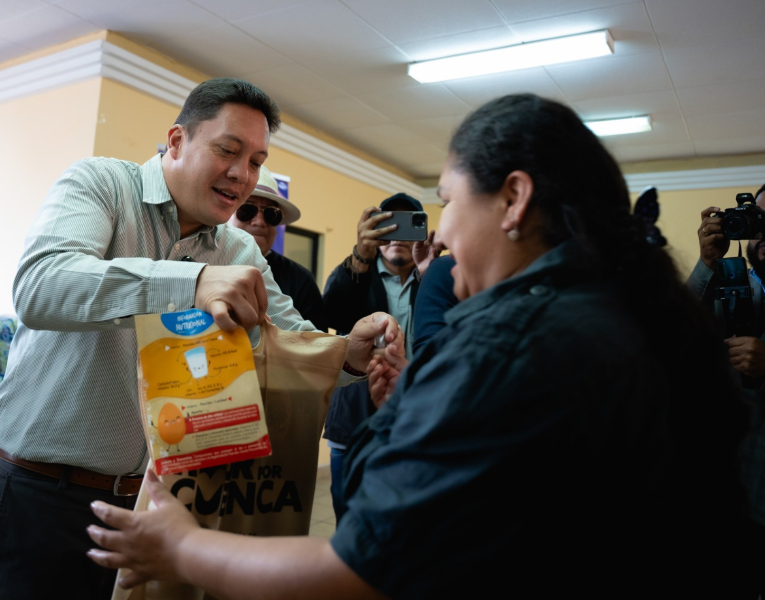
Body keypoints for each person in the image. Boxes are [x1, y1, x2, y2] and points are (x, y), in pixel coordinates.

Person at [86, 94, 755, 598]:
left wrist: (184, 548)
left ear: (514, 200)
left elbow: (359, 570)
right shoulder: (640, 314)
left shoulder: (510, 342)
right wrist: (414, 398)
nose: (442, 238)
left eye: (449, 203)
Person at [0, 77, 401, 600]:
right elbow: (42, 287)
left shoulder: (238, 249)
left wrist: (350, 354)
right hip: (41, 493)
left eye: (257, 161)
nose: (242, 175)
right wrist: (191, 282)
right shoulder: (103, 185)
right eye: (228, 150)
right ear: (176, 141)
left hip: (163, 505)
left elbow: (293, 339)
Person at [321, 193, 436, 520]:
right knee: (349, 516)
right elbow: (330, 314)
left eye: (408, 225)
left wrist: (431, 273)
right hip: (354, 422)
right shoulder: (355, 273)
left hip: (420, 420)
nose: (397, 235)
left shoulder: (435, 278)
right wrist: (360, 257)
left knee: (413, 520)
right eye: (388, 225)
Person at [687, 185, 765, 596]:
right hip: (726, 492)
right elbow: (672, 339)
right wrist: (706, 264)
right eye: (759, 221)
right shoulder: (732, 283)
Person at [227, 165, 326, 331]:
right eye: (247, 209)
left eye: (271, 214)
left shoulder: (301, 280)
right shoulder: (206, 255)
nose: (259, 221)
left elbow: (313, 343)